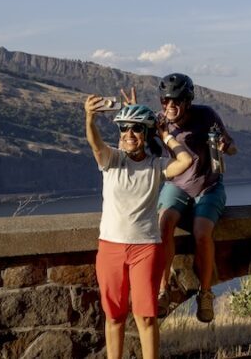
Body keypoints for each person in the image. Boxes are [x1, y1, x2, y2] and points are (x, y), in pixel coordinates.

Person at [85, 97, 192, 359]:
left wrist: (164, 133)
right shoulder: (112, 160)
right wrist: (89, 118)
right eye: (124, 129)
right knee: (115, 317)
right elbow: (95, 144)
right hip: (110, 247)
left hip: (145, 248)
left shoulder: (156, 166)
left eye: (135, 128)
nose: (129, 134)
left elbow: (186, 160)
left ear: (145, 133)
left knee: (146, 317)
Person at [154, 73, 237, 322]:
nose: (170, 107)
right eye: (165, 101)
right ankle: (162, 289)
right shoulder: (160, 122)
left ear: (187, 101)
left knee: (202, 233)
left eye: (175, 101)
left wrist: (224, 146)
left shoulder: (206, 115)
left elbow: (233, 148)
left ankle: (206, 293)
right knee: (164, 225)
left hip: (208, 186)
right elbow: (134, 148)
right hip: (177, 185)